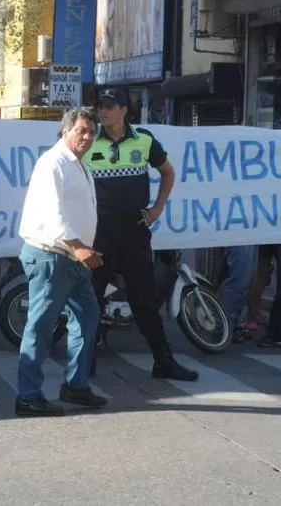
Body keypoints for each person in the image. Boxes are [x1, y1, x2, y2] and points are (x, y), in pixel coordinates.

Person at [85, 89, 197, 381]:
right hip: (97, 233)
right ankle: (84, 366)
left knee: (145, 302)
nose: (103, 112)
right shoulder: (88, 139)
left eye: (109, 106)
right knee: (90, 301)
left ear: (124, 110)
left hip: (133, 232)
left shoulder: (144, 140)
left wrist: (158, 207)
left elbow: (168, 172)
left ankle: (164, 362)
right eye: (100, 107)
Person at [16, 107, 106, 416]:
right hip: (52, 256)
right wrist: (80, 246)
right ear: (64, 131)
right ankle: (27, 396)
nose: (87, 137)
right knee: (41, 326)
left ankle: (75, 385)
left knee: (88, 317)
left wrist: (85, 248)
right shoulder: (52, 163)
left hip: (75, 258)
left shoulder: (77, 164)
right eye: (82, 130)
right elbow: (51, 213)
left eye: (92, 132)